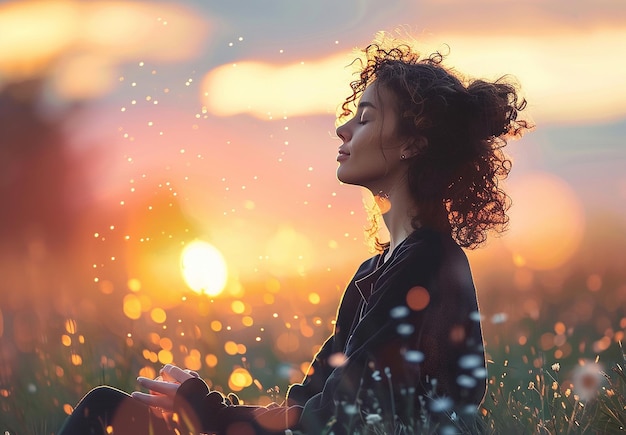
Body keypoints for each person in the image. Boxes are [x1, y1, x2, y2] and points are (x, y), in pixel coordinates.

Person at [58, 40, 529, 435]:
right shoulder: (379, 269)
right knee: (109, 408)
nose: (343, 127)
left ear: (412, 144)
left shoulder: (429, 263)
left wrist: (204, 411)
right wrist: (206, 412)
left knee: (105, 414)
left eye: (365, 118)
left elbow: (339, 418)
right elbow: (306, 406)